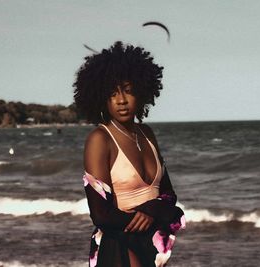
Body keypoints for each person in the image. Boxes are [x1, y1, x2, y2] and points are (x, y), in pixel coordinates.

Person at [73, 41, 185, 267]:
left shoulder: (147, 134)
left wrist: (151, 210)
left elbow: (168, 194)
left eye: (128, 91)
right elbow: (100, 214)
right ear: (102, 97)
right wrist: (151, 216)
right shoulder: (100, 139)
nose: (121, 100)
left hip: (152, 245)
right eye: (112, 93)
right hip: (120, 247)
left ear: (142, 92)